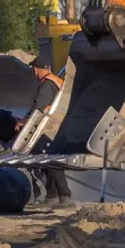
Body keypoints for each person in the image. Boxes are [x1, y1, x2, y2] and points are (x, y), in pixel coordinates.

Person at [27, 56, 74, 207]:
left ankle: (65, 197)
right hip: (59, 126)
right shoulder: (55, 81)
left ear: (35, 69)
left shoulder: (47, 84)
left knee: (51, 160)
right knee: (46, 160)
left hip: (50, 128)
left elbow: (38, 107)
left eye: (33, 70)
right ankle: (52, 195)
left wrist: (24, 122)